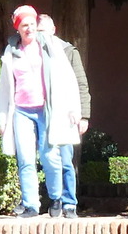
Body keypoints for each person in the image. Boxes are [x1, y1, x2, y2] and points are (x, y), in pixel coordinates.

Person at [0, 5, 84, 217]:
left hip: (46, 110)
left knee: (50, 156)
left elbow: (68, 79)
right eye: (24, 25)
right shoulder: (11, 51)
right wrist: (3, 119)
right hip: (22, 111)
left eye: (32, 24)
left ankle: (56, 197)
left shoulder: (50, 46)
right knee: (26, 159)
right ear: (18, 28)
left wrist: (74, 109)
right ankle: (31, 205)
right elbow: (4, 88)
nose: (29, 29)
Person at [37, 14, 92, 212]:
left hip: (64, 114)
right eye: (38, 32)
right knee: (43, 160)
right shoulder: (31, 53)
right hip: (40, 113)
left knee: (66, 161)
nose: (41, 36)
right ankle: (50, 201)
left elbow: (80, 84)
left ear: (53, 30)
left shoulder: (68, 51)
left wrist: (83, 115)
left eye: (43, 31)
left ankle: (69, 203)